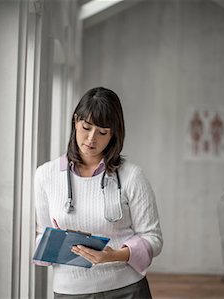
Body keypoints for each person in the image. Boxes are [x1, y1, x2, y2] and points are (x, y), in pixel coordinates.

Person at [34, 87, 163, 298]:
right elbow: (42, 234)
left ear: (113, 134)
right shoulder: (45, 175)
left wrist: (115, 255)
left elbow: (153, 238)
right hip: (70, 291)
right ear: (75, 121)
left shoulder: (132, 176)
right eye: (86, 127)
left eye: (102, 132)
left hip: (127, 289)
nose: (91, 138)